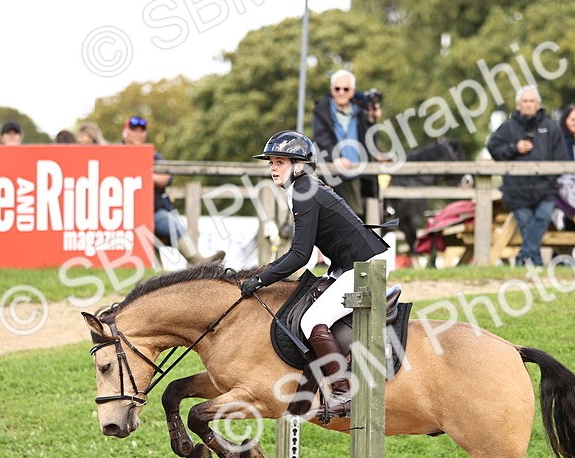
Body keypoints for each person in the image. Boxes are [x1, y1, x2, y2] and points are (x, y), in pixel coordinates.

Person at [238, 131, 389, 418]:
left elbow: (300, 255)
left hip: (366, 267)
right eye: (271, 162)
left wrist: (260, 279)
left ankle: (346, 393)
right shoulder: (303, 189)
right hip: (347, 265)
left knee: (312, 320)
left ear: (299, 165)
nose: (272, 167)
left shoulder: (304, 192)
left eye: (280, 161)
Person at [122, 114, 221, 265]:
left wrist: (139, 175)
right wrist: (147, 175)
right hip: (122, 215)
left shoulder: (153, 155)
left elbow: (166, 178)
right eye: (134, 129)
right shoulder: (115, 152)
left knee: (173, 224)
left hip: (152, 212)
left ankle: (198, 261)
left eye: (142, 130)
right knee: (151, 253)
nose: (138, 133)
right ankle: (197, 263)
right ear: (125, 131)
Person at [486, 86, 567, 266]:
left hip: (546, 189)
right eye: (525, 101)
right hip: (517, 190)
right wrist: (514, 147)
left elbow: (562, 159)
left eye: (532, 101)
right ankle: (534, 262)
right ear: (518, 105)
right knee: (527, 223)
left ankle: (524, 257)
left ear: (537, 104)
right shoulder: (507, 128)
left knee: (541, 219)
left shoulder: (551, 127)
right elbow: (493, 149)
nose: (529, 105)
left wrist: (551, 178)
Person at [311, 69, 376, 218]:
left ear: (352, 91)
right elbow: (321, 139)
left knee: (357, 218)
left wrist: (373, 121)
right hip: (331, 172)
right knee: (331, 217)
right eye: (337, 88)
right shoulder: (321, 111)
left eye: (345, 89)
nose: (341, 92)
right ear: (331, 90)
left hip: (356, 173)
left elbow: (372, 140)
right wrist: (336, 158)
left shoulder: (362, 112)